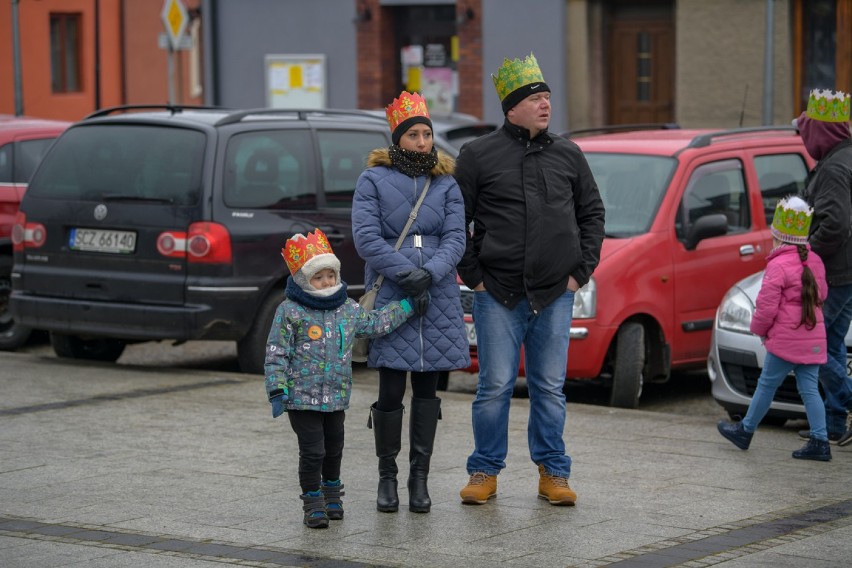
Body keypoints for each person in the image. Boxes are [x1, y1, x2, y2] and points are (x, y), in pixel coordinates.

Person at [454, 53, 605, 506]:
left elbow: (592, 214)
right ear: (512, 107)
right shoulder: (477, 155)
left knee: (549, 388)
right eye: (536, 99)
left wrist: (580, 274)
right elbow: (454, 220)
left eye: (547, 99)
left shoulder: (569, 154)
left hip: (556, 293)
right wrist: (474, 278)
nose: (545, 106)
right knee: (494, 387)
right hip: (496, 294)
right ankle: (484, 471)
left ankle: (553, 473)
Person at [352, 91, 470, 514]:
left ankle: (419, 478)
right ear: (397, 138)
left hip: (435, 297)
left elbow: (457, 237)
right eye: (414, 134)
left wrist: (432, 274)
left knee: (427, 389)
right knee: (388, 388)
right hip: (391, 294)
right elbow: (366, 238)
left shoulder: (447, 183)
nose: (423, 142)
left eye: (427, 134)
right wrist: (407, 274)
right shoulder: (373, 180)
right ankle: (388, 477)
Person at [264, 228, 426, 529]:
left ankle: (332, 493)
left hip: (336, 398)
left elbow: (375, 324)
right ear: (303, 280)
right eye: (319, 277)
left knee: (334, 448)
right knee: (313, 451)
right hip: (301, 398)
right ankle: (312, 501)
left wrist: (406, 306)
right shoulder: (290, 311)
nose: (327, 282)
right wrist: (277, 389)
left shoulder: (347, 309)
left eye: (331, 275)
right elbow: (276, 351)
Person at [717, 197, 831, 460]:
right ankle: (820, 441)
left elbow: (766, 306)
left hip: (785, 341)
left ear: (779, 238)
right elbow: (822, 294)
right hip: (813, 337)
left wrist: (759, 330)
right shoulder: (815, 262)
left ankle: (745, 431)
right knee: (810, 389)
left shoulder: (778, 265)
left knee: (766, 385)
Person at [794, 88, 852, 447]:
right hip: (846, 272)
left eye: (806, 130)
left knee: (812, 345)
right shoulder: (845, 157)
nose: (803, 137)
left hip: (833, 273)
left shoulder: (833, 168)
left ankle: (844, 402)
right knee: (830, 344)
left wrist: (803, 254)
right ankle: (833, 425)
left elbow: (835, 224)